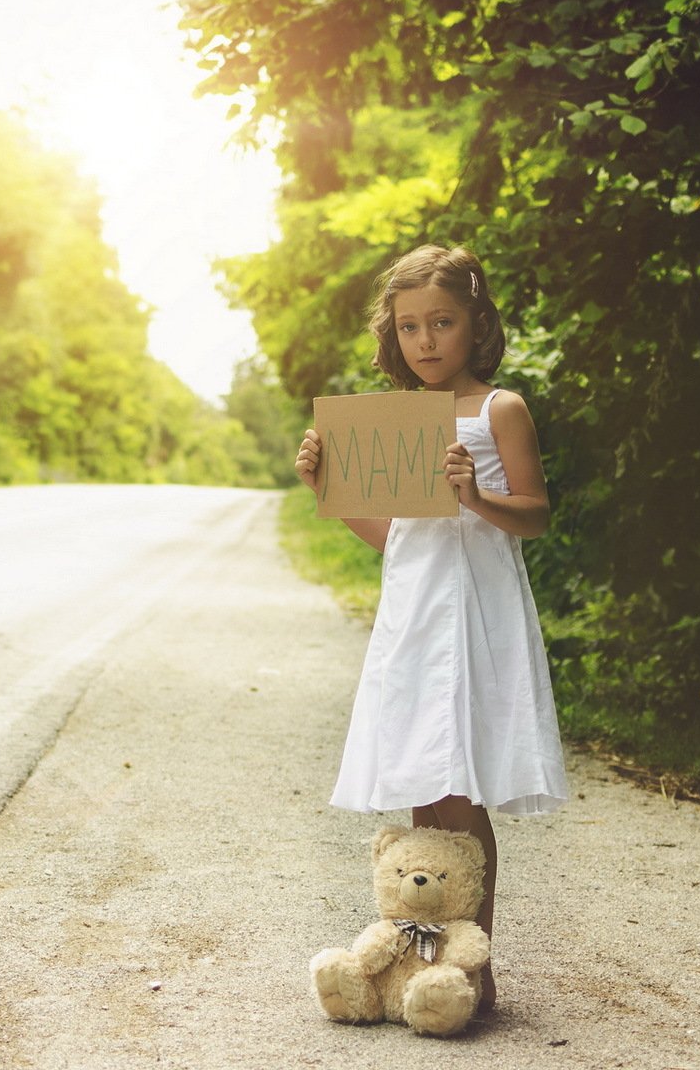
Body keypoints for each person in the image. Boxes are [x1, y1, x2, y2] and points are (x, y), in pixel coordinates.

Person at [293, 243, 568, 1014]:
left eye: (442, 322)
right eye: (410, 326)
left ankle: (475, 970)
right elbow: (393, 539)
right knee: (420, 786)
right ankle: (422, 967)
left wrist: (475, 496)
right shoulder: (394, 420)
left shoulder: (498, 408)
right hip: (413, 618)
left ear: (474, 323)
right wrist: (327, 486)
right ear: (394, 334)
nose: (425, 341)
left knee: (459, 787)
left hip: (475, 615)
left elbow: (537, 516)